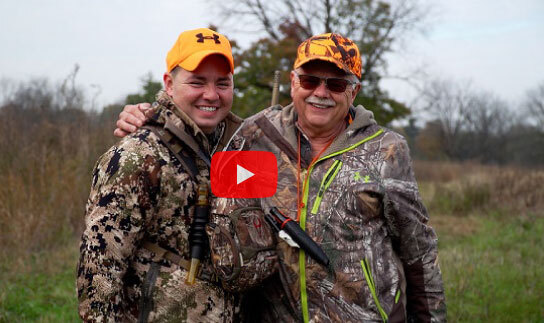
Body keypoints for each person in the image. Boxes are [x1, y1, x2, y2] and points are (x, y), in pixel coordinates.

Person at [116, 33, 446, 322]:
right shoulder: (257, 135)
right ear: (292, 82)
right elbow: (198, 138)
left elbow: (419, 252)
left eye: (336, 83)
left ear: (353, 91)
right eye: (309, 80)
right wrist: (151, 118)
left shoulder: (385, 151)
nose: (321, 92)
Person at [76, 28, 276, 322]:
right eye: (197, 82)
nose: (211, 94)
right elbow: (99, 271)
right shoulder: (137, 157)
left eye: (223, 83)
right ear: (169, 84)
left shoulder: (241, 149)